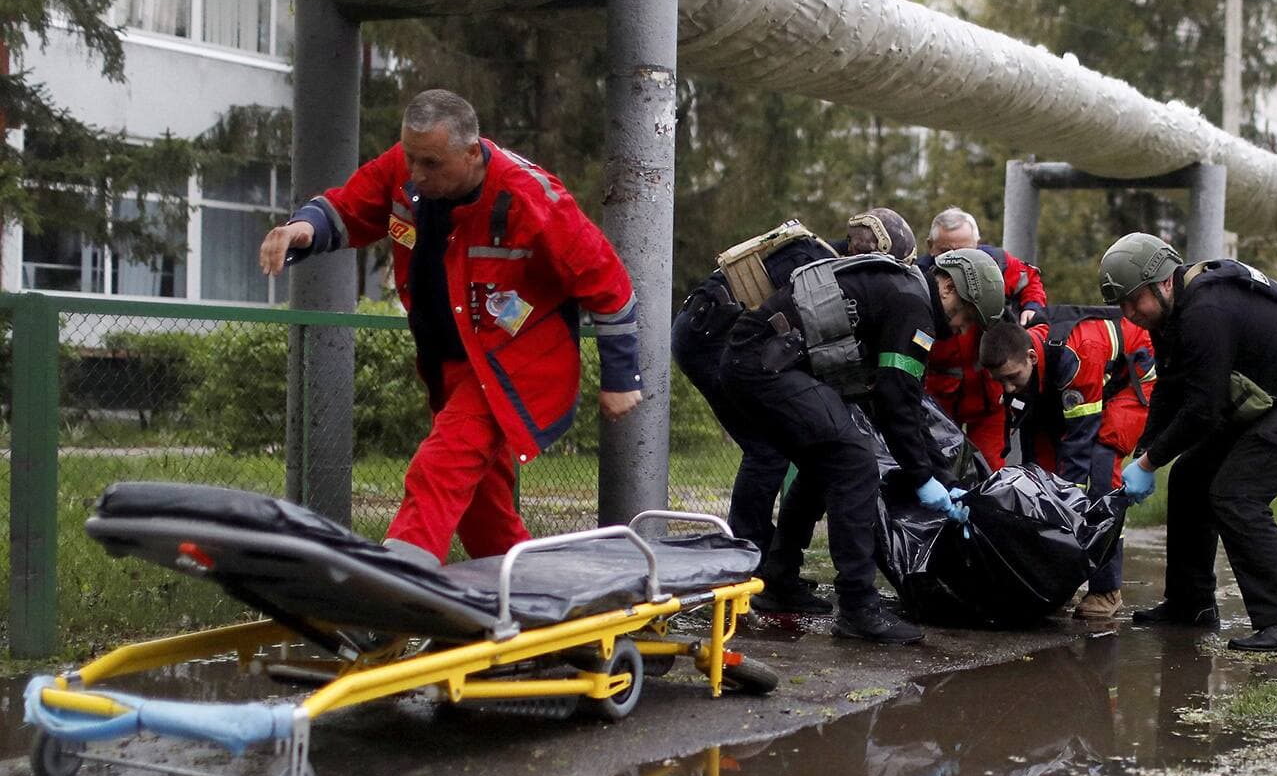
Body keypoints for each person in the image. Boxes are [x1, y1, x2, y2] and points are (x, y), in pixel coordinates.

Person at [259, 89, 641, 566]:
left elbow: (608, 281)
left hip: (514, 365)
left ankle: (398, 586)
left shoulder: (530, 197)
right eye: (411, 158)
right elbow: (348, 207)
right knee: (482, 506)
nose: (415, 174)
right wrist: (304, 229)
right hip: (451, 363)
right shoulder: (407, 167)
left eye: (431, 164)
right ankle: (523, 607)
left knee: (440, 468)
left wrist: (622, 379)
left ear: (471, 152)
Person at [720, 246, 1005, 643]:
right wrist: (923, 478)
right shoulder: (914, 309)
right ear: (948, 286)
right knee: (853, 461)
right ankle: (857, 606)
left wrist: (942, 477)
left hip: (756, 361)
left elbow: (906, 402)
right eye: (967, 314)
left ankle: (779, 578)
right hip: (762, 365)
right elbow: (893, 399)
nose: (961, 327)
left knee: (826, 464)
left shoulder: (906, 295)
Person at [1099, 233, 1277, 653]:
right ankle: (1190, 603)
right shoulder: (1170, 313)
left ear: (1163, 282)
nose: (1129, 313)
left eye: (1133, 300)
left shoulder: (1205, 311)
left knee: (1237, 494)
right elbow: (1171, 386)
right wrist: (1145, 451)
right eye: (1121, 305)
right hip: (1271, 395)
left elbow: (1203, 409)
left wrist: (1147, 466)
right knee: (1188, 477)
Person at [670, 220, 841, 613]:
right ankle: (750, 568)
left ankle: (758, 561)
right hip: (711, 339)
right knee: (767, 450)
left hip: (706, 330)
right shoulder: (816, 267)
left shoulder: (811, 255)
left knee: (771, 447)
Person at [977, 308, 1155, 619]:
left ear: (1031, 358)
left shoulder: (1078, 354)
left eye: (1011, 378)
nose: (1007, 388)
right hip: (1075, 383)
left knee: (1100, 468)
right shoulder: (1026, 362)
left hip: (1134, 382)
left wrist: (1067, 504)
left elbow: (1079, 445)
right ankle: (1057, 579)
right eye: (999, 381)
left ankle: (1106, 588)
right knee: (1039, 477)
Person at [917, 207, 1047, 470]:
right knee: (942, 465)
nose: (957, 261)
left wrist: (1033, 308)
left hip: (989, 397)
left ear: (978, 244)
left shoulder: (993, 267)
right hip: (939, 398)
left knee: (991, 470)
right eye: (946, 252)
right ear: (930, 247)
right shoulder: (919, 283)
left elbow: (1028, 279)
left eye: (966, 250)